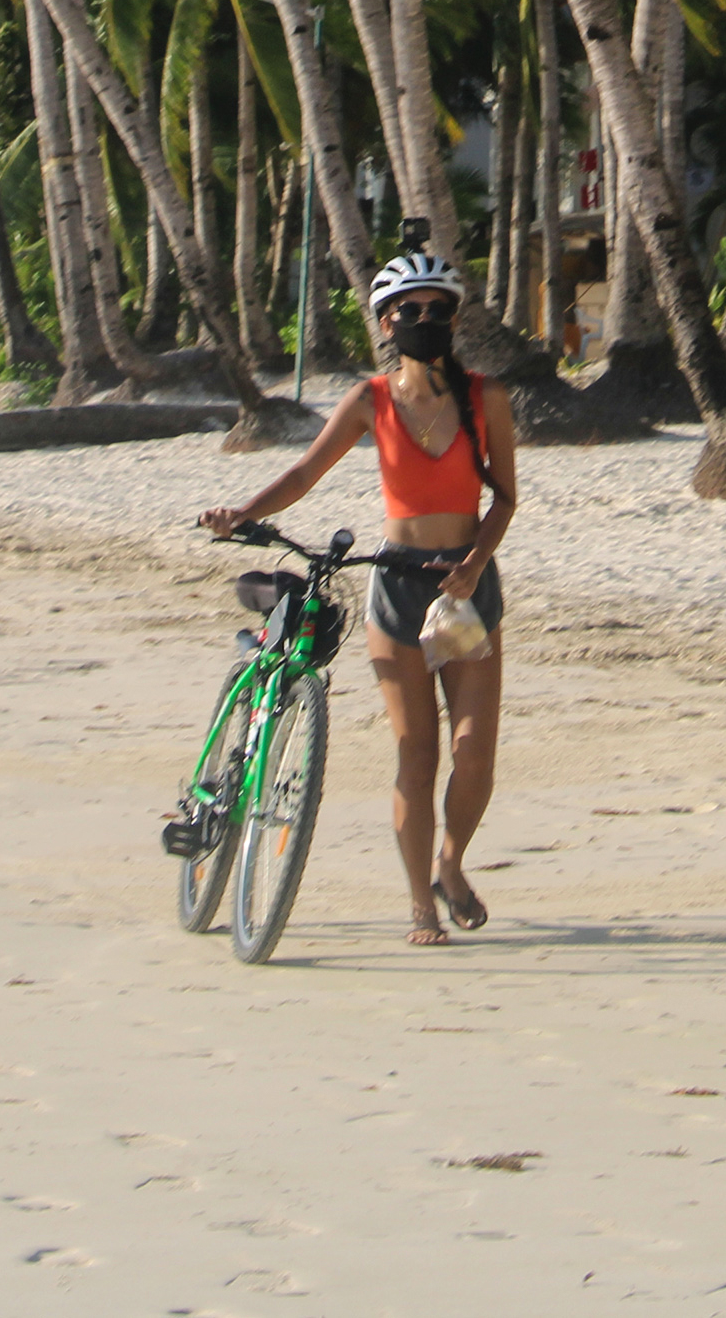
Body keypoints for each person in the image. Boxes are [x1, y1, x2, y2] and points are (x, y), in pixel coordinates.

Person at [200, 252, 518, 948]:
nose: (426, 320)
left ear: (456, 318)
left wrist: (475, 560)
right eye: (411, 310)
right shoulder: (370, 400)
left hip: (467, 592)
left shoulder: (485, 397)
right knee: (416, 754)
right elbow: (304, 471)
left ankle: (450, 864)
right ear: (385, 322)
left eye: (439, 309)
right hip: (398, 588)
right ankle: (419, 907)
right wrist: (242, 511)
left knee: (474, 754)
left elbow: (505, 497)